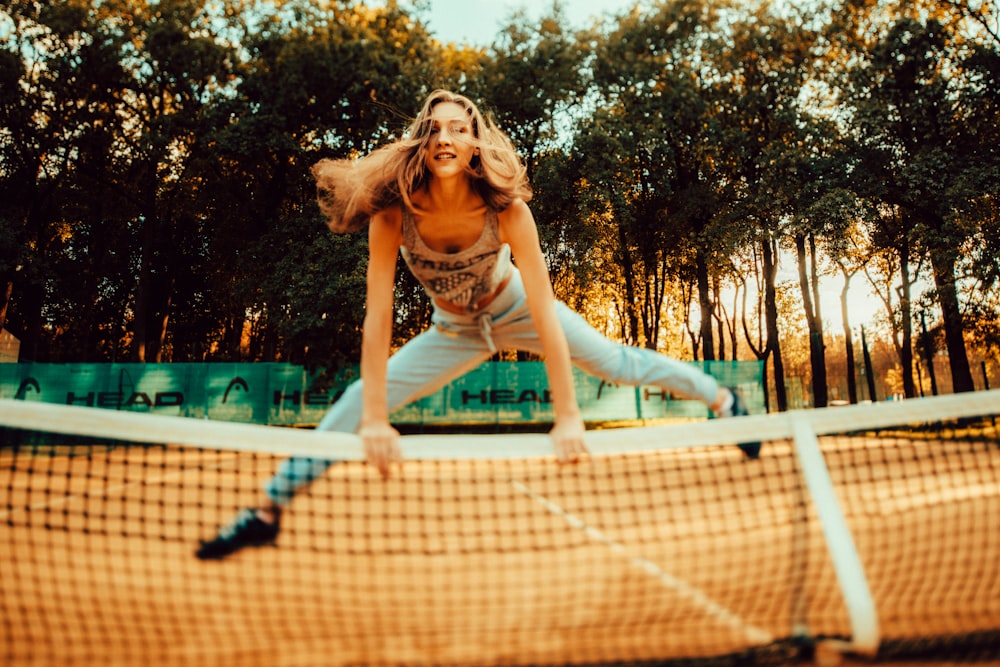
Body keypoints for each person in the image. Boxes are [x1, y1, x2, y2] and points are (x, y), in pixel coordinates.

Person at [196, 90, 759, 560]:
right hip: (454, 330)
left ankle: (722, 399)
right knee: (357, 401)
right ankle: (267, 510)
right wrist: (373, 419)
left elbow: (544, 308)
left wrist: (568, 418)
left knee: (616, 362)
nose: (445, 137)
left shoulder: (508, 210)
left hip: (515, 308)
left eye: (459, 129)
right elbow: (378, 314)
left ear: (473, 145)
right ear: (421, 140)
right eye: (434, 128)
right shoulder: (394, 211)